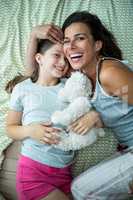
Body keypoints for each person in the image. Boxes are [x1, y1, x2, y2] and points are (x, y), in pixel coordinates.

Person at [25, 11, 133, 200]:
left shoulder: (110, 73)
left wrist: (96, 116)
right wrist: (34, 35)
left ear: (97, 44)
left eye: (80, 38)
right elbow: (33, 75)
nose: (71, 46)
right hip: (126, 151)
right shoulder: (78, 76)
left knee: (81, 191)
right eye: (67, 41)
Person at [6, 38, 99, 200]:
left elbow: (88, 105)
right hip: (33, 173)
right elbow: (10, 128)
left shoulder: (70, 86)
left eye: (65, 58)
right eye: (56, 55)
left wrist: (93, 115)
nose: (62, 63)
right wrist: (31, 130)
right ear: (39, 58)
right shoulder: (23, 89)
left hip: (65, 171)